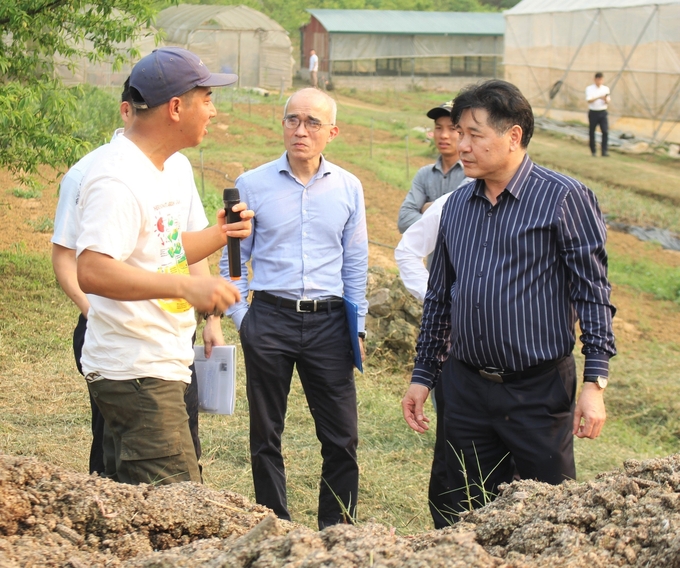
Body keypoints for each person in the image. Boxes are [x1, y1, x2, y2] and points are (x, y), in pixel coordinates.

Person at [401, 80, 616, 519]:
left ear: (512, 136)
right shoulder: (456, 206)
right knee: (456, 507)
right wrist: (424, 374)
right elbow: (441, 298)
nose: (461, 144)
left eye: (474, 134)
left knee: (545, 514)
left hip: (537, 391)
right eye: (459, 132)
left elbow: (592, 294)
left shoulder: (563, 198)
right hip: (464, 387)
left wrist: (594, 384)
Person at [76, 47, 253, 486]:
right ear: (176, 107)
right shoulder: (117, 178)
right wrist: (185, 290)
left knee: (133, 513)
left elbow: (162, 249)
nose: (213, 110)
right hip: (138, 374)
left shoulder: (161, 168)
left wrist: (219, 235)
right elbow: (93, 270)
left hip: (152, 368)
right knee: (177, 514)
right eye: (207, 97)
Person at [219, 87, 368, 529]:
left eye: (312, 123)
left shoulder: (348, 187)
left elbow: (355, 261)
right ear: (282, 124)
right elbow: (233, 260)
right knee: (266, 434)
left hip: (329, 323)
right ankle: (274, 525)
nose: (300, 131)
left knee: (342, 437)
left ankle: (337, 531)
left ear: (332, 132)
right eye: (292, 120)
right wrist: (244, 318)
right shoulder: (253, 184)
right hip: (270, 318)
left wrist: (356, 325)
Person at [397, 100, 467, 234]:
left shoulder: (473, 174)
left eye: (452, 129)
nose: (443, 135)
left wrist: (426, 207)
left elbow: (463, 222)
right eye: (439, 128)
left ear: (463, 133)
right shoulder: (424, 174)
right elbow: (404, 221)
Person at [586, 72, 611, 157]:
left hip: (602, 111)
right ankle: (593, 151)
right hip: (593, 112)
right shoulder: (590, 88)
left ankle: (604, 151)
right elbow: (589, 100)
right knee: (592, 132)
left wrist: (605, 100)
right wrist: (599, 97)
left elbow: (608, 100)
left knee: (605, 131)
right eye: (598, 79)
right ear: (595, 79)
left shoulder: (605, 89)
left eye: (601, 79)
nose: (600, 81)